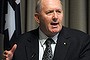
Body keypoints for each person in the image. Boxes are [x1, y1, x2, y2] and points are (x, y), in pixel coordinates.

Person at [3, 0, 90, 60]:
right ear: (37, 18)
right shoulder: (19, 43)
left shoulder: (82, 42)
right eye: (49, 12)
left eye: (58, 11)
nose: (55, 17)